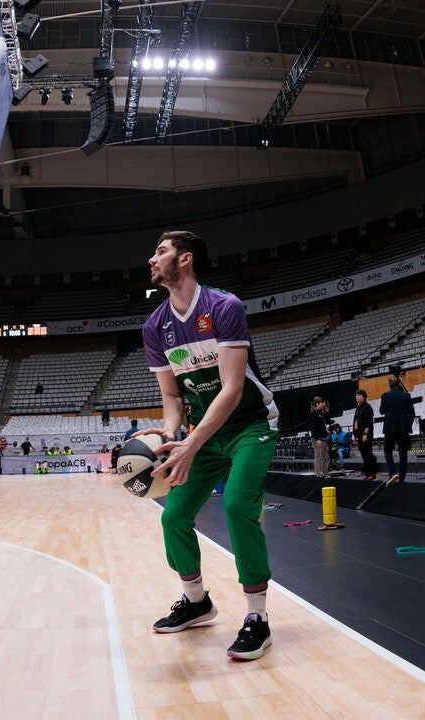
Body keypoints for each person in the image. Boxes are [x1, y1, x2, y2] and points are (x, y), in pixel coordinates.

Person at [139, 230, 279, 661]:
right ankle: (197, 601)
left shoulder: (224, 307)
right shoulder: (154, 327)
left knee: (238, 506)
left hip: (251, 424)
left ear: (185, 260)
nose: (152, 259)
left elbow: (233, 388)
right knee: (174, 515)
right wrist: (168, 434)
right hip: (204, 433)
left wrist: (191, 443)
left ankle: (258, 617)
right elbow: (171, 397)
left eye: (160, 251)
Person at [380, 376, 415, 486]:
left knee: (387, 451)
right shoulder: (406, 395)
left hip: (390, 428)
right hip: (403, 428)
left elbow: (381, 411)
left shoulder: (385, 395)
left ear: (389, 385)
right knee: (403, 453)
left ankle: (392, 473)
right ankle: (402, 478)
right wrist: (407, 425)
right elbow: (412, 413)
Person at [353, 389, 378, 481]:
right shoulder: (357, 408)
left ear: (364, 397)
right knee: (364, 454)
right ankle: (370, 473)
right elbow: (355, 422)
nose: (357, 397)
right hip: (359, 435)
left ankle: (371, 474)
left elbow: (369, 422)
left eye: (359, 395)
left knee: (367, 454)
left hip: (366, 435)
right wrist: (355, 435)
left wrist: (365, 434)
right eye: (356, 395)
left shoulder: (367, 407)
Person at [308, 396, 331, 478]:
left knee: (325, 457)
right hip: (318, 439)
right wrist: (317, 439)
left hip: (324, 437)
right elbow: (312, 427)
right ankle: (318, 475)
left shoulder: (321, 412)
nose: (324, 404)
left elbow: (328, 422)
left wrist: (327, 412)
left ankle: (325, 474)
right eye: (322, 403)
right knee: (318, 458)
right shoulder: (313, 413)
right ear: (317, 404)